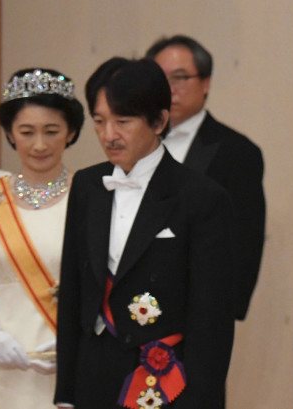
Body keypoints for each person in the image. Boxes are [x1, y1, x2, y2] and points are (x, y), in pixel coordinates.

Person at [54, 58, 238, 408]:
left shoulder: (202, 198)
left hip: (167, 380)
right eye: (99, 121)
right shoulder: (88, 186)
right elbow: (74, 292)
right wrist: (67, 393)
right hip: (94, 380)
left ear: (159, 121)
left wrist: (199, 399)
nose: (109, 135)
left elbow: (211, 320)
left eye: (122, 121)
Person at [145, 35, 265, 321]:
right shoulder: (136, 142)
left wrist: (226, 309)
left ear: (206, 82)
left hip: (200, 307)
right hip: (137, 303)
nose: (169, 89)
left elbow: (246, 237)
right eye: (160, 79)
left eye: (180, 77)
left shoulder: (237, 151)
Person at [0, 68, 84, 408]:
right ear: (10, 135)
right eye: (26, 132)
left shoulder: (92, 197)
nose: (39, 144)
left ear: (70, 132)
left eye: (51, 131)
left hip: (69, 367)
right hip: (1, 368)